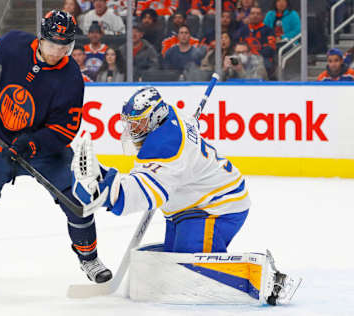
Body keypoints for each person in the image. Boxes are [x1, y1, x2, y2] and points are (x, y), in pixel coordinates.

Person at [70, 86, 301, 306]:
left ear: (154, 119)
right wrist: (104, 178)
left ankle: (266, 279)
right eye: (130, 124)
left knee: (192, 272)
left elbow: (143, 194)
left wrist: (105, 191)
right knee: (172, 266)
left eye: (138, 124)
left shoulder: (167, 147)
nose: (132, 131)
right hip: (188, 207)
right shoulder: (169, 116)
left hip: (217, 208)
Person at [0, 10, 112, 284]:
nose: (58, 52)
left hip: (44, 152)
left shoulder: (71, 77)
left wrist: (33, 143)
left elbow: (65, 130)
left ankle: (89, 259)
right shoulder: (15, 44)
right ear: (41, 39)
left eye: (65, 46)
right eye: (53, 44)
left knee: (78, 201)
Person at [234, 5, 276, 78]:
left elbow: (271, 48)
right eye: (253, 13)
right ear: (249, 15)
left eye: (258, 14)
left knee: (266, 64)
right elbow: (236, 45)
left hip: (262, 58)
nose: (255, 16)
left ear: (262, 16)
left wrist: (253, 54)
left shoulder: (268, 30)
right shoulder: (242, 30)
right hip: (243, 56)